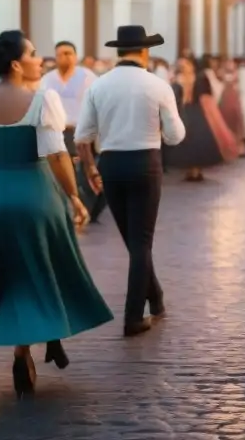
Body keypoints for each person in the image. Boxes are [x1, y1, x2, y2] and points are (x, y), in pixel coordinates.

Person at [0, 31, 112, 397]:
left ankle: (27, 348)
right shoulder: (42, 100)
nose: (37, 57)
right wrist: (74, 197)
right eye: (32, 52)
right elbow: (57, 155)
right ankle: (42, 336)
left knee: (10, 275)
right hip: (36, 194)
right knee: (50, 264)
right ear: (16, 63)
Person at [75, 26, 186, 337]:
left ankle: (157, 298)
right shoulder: (158, 85)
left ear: (119, 52)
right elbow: (176, 136)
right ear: (145, 52)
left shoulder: (99, 86)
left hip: (110, 164)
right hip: (145, 163)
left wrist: (91, 169)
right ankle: (133, 317)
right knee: (141, 243)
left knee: (134, 242)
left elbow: (82, 135)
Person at [40, 41, 101, 221]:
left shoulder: (88, 77)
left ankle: (87, 208)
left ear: (75, 56)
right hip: (57, 131)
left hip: (81, 131)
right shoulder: (48, 79)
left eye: (68, 53)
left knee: (84, 171)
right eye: (60, 54)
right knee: (62, 171)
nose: (65, 57)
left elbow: (97, 103)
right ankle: (68, 208)